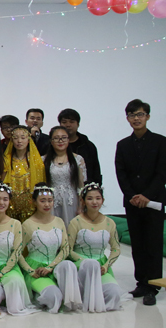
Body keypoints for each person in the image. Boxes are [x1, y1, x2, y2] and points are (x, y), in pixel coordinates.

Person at [115, 98, 166, 306]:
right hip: (133, 203)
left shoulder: (161, 142)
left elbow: (162, 173)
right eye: (132, 115)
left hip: (153, 203)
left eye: (140, 114)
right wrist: (132, 196)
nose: (136, 118)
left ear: (148, 117)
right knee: (137, 244)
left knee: (153, 244)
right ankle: (141, 283)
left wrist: (147, 195)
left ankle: (153, 286)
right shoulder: (123, 145)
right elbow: (121, 174)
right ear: (127, 118)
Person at [19, 184, 82, 313]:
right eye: (42, 201)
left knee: (69, 265)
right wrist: (30, 271)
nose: (47, 204)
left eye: (50, 200)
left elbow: (65, 248)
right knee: (54, 297)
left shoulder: (59, 221)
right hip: (36, 270)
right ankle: (37, 295)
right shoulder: (27, 224)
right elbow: (17, 252)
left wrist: (50, 267)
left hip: (54, 266)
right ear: (34, 202)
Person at [0, 183, 37, 316]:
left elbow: (17, 251)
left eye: (5, 199)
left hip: (10, 267)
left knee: (15, 283)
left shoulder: (15, 224)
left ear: (9, 201)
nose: (1, 202)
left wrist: (3, 271)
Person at [68, 183, 125, 312]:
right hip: (81, 265)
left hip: (101, 267)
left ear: (102, 200)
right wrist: (85, 262)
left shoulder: (110, 223)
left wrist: (106, 265)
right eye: (90, 198)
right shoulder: (75, 222)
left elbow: (116, 248)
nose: (94, 202)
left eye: (98, 198)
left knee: (114, 293)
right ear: (83, 201)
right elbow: (68, 249)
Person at [44, 125, 87, 226]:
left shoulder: (78, 159)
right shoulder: (43, 160)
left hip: (71, 201)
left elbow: (81, 186)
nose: (60, 141)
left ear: (68, 140)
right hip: (51, 201)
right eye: (56, 138)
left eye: (64, 138)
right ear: (51, 141)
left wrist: (81, 206)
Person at [3, 126, 45, 222]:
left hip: (30, 207)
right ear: (11, 140)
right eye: (16, 138)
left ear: (29, 140)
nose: (19, 141)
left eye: (23, 138)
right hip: (10, 206)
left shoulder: (35, 161)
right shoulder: (6, 160)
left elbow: (39, 184)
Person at [58, 108, 102, 184]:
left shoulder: (88, 146)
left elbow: (95, 171)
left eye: (72, 122)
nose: (68, 125)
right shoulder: (53, 145)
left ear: (78, 124)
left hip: (85, 187)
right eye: (64, 122)